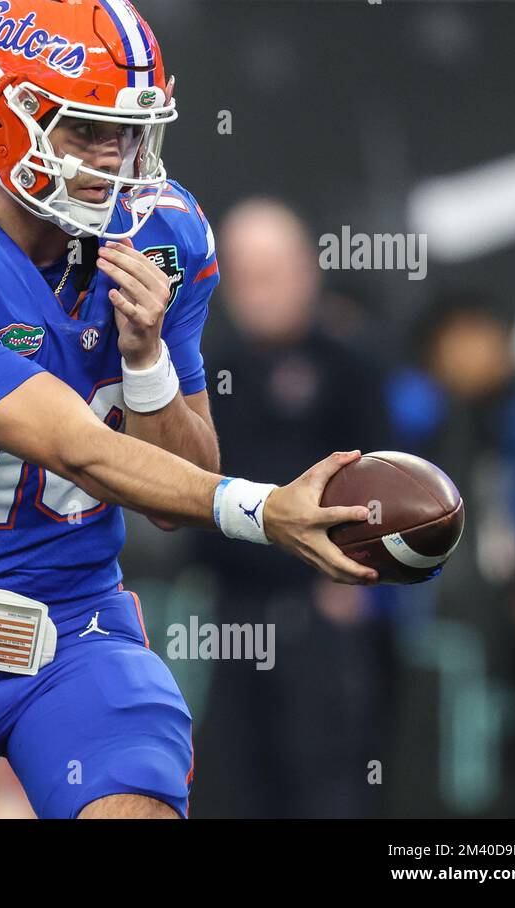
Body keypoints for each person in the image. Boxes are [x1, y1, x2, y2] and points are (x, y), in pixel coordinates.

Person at [0, 0, 376, 820]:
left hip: (77, 631)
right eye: (91, 130)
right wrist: (262, 509)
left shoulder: (164, 232)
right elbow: (73, 445)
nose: (117, 162)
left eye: (130, 134)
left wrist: (148, 361)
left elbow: (177, 488)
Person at [191, 198, 391, 817]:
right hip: (234, 614)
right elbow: (185, 493)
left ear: (308, 269)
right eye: (246, 276)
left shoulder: (352, 365)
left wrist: (355, 577)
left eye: (274, 271)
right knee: (236, 783)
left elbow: (393, 487)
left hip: (323, 613)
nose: (261, 291)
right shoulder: (206, 371)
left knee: (328, 784)